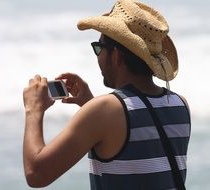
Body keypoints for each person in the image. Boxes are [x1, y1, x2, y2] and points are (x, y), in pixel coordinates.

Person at [22, 0, 191, 189]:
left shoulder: (104, 111)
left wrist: (33, 109)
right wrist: (89, 103)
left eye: (99, 48)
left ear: (117, 56)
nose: (98, 56)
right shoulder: (179, 105)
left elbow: (36, 174)